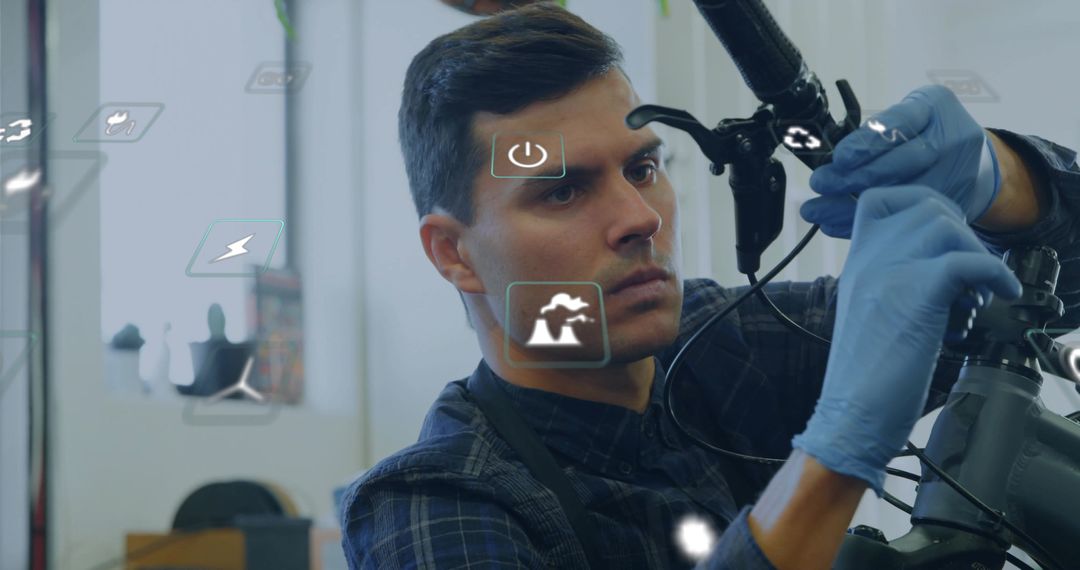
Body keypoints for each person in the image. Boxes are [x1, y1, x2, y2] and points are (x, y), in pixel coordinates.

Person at [341, 4, 1080, 569]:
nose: (637, 218)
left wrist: (1003, 184)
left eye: (643, 169)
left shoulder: (723, 344)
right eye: (561, 193)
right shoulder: (434, 505)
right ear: (453, 254)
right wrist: (834, 455)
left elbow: (1040, 302)